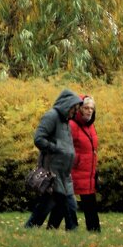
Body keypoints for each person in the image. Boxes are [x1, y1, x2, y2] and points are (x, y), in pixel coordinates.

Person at [24, 88, 82, 230]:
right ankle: (30, 229)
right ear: (67, 105)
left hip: (64, 174)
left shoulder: (66, 121)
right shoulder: (52, 116)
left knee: (66, 205)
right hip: (52, 173)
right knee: (49, 206)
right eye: (74, 108)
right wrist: (55, 149)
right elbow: (39, 139)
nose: (75, 112)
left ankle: (58, 231)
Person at [48, 94, 99, 231]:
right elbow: (62, 146)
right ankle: (53, 227)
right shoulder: (71, 125)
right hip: (73, 170)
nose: (89, 111)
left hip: (88, 171)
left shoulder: (91, 126)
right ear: (79, 109)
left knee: (88, 201)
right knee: (64, 201)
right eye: (86, 107)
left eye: (92, 108)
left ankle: (94, 230)